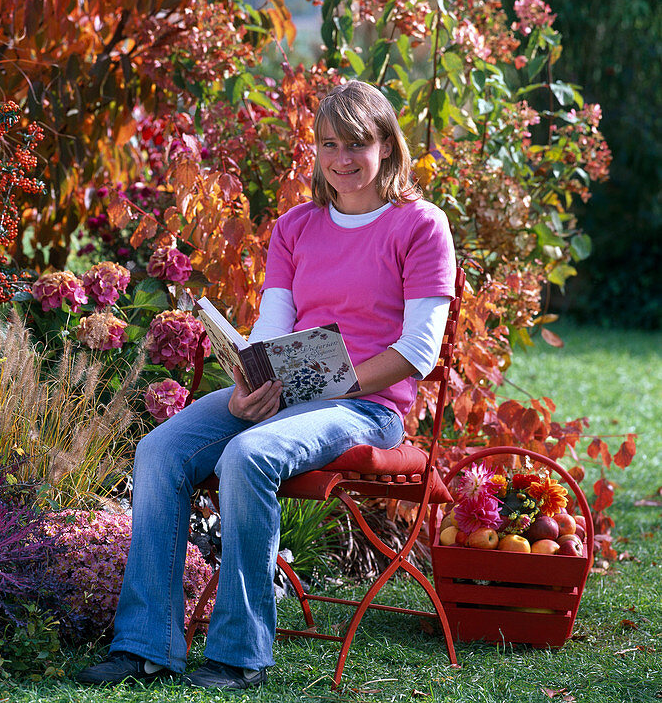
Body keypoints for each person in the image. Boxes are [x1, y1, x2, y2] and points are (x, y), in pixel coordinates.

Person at [76, 80, 456, 690]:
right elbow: (271, 331)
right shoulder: (296, 227)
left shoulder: (419, 226)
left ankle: (238, 654)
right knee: (159, 450)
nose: (342, 158)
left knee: (249, 455)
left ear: (387, 144)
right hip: (289, 395)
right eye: (329, 144)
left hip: (365, 407)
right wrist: (243, 389)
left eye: (357, 142)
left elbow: (418, 350)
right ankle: (147, 645)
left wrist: (335, 385)